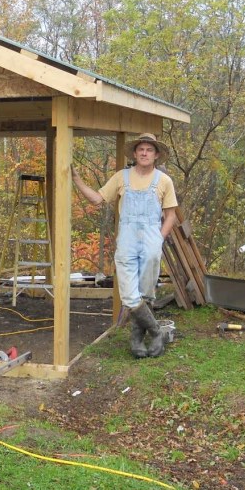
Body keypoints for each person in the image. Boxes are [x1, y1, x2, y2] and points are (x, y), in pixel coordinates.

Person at [71, 133, 178, 358]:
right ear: (135, 153)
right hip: (127, 239)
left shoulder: (164, 181)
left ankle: (137, 340)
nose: (145, 153)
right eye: (141, 149)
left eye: (149, 150)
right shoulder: (122, 177)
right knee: (130, 295)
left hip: (151, 237)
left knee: (146, 292)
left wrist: (159, 238)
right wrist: (77, 180)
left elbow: (170, 215)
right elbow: (97, 199)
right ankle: (156, 332)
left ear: (156, 155)